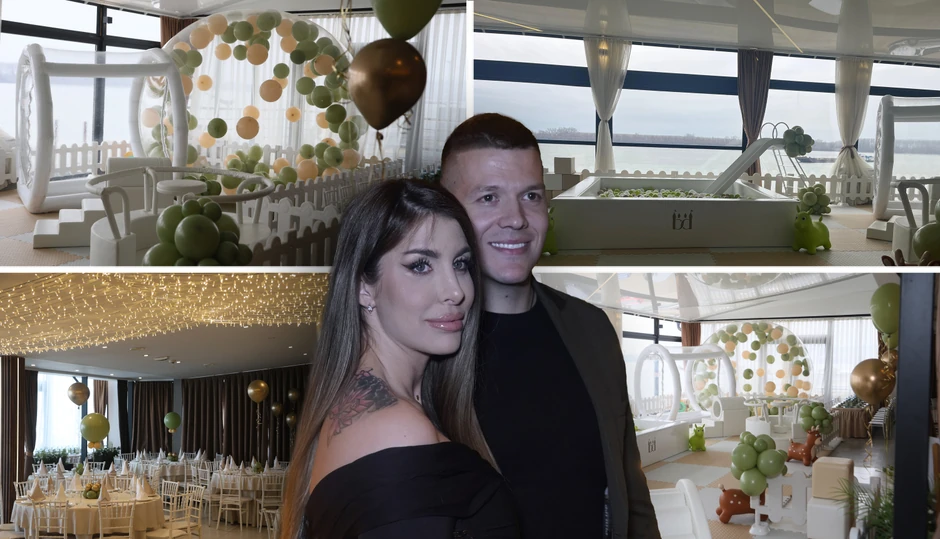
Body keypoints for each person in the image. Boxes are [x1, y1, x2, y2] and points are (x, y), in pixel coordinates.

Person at [440, 113, 661, 539]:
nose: (516, 219)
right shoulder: (429, 345)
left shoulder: (592, 331)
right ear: (447, 211)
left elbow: (630, 491)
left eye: (531, 196)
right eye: (488, 197)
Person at [281, 179, 520, 539]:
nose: (456, 290)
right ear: (364, 286)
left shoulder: (360, 408)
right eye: (421, 265)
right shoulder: (398, 430)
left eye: (460, 264)